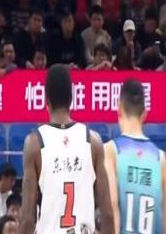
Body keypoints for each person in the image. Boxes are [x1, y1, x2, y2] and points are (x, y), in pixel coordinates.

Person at [20, 64, 113, 234]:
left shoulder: (34, 143)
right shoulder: (93, 141)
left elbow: (27, 219)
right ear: (71, 99)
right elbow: (107, 215)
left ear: (47, 100)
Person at [104, 79, 166, 234]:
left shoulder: (111, 151)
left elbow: (112, 208)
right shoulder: (160, 158)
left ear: (119, 109)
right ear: (144, 114)